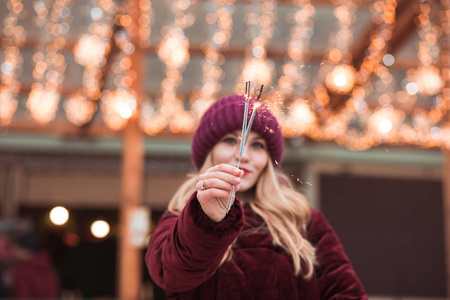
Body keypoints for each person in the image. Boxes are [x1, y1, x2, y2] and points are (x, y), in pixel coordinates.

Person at [145, 94, 367, 299]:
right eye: (230, 140)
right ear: (209, 152)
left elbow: (346, 292)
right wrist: (207, 221)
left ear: (268, 161)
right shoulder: (180, 220)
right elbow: (168, 275)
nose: (243, 155)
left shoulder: (303, 219)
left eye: (258, 145)